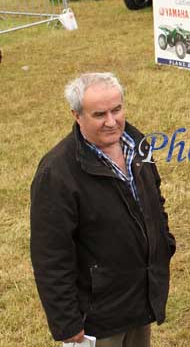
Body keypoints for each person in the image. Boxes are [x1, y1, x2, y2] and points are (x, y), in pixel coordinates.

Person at [30, 73, 176, 347]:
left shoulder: (137, 144)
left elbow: (155, 202)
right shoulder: (57, 173)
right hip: (96, 318)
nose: (112, 122)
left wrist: (164, 245)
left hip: (139, 300)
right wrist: (66, 322)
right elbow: (50, 254)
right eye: (99, 114)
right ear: (77, 115)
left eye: (117, 110)